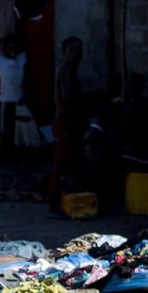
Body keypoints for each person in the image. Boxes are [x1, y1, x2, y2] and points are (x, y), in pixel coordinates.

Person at [49, 36, 85, 208]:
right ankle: (54, 201)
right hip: (65, 122)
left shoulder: (71, 71)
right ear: (64, 53)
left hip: (69, 122)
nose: (76, 54)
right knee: (61, 162)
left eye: (79, 50)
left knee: (70, 162)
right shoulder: (65, 71)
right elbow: (70, 98)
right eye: (72, 50)